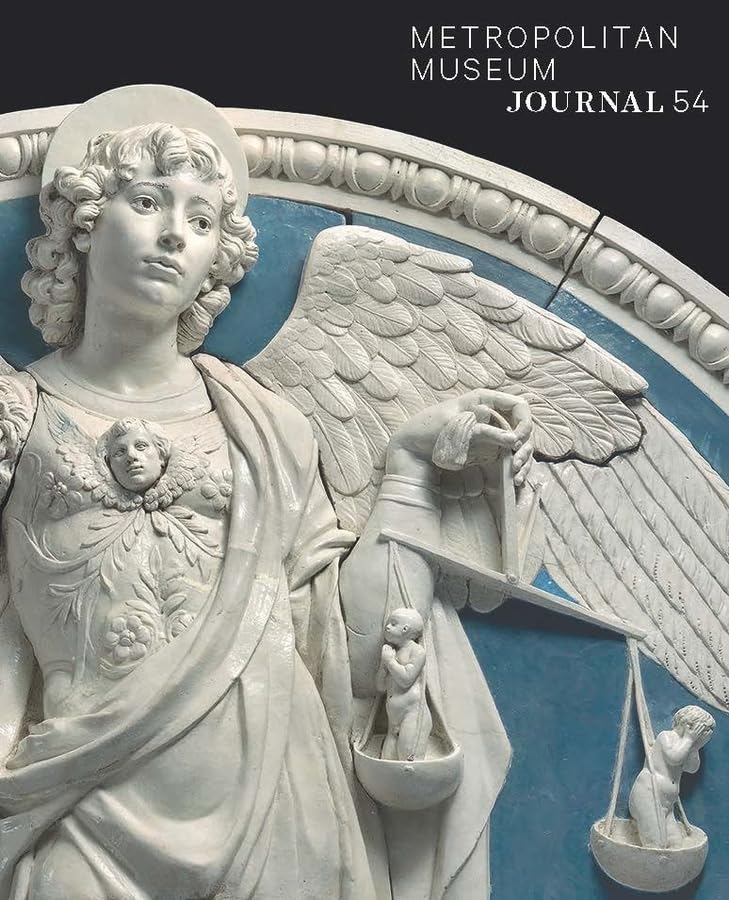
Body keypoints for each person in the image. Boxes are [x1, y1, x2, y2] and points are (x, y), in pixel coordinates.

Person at [0, 107, 528, 898]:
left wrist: (409, 474)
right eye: (146, 202)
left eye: (201, 220)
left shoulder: (266, 428)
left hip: (280, 797)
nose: (173, 235)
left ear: (218, 258)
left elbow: (348, 648)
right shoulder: (19, 413)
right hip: (81, 799)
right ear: (82, 223)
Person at [628, 705, 715, 849]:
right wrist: (689, 739)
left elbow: (692, 768)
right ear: (688, 725)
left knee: (675, 842)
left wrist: (694, 748)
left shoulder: (686, 746)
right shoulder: (666, 736)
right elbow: (674, 758)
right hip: (649, 794)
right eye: (699, 735)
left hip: (667, 805)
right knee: (656, 843)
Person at [377, 608, 431, 761]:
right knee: (387, 761)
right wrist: (383, 666)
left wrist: (389, 661)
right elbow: (380, 687)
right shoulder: (392, 652)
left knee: (408, 759)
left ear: (405, 629)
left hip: (412, 716)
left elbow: (406, 680)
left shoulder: (417, 652)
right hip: (393, 720)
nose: (387, 627)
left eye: (393, 624)